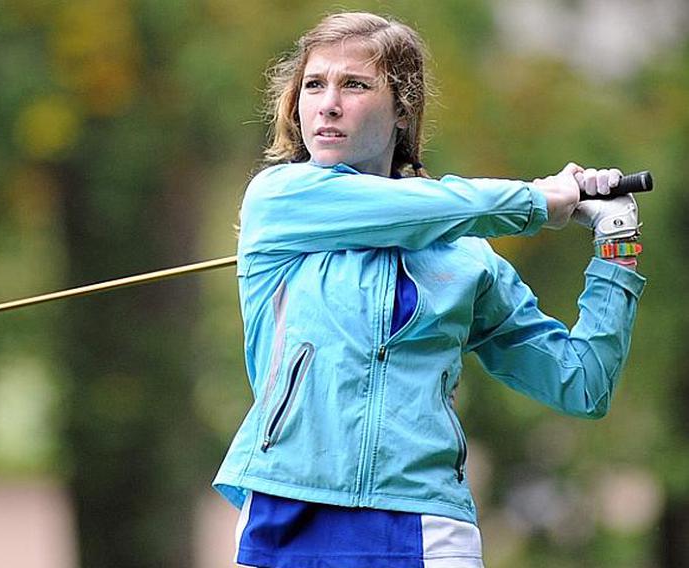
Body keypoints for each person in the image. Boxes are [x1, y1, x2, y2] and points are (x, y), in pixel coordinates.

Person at [212, 11, 645, 568]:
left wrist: (617, 247)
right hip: (289, 509)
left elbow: (580, 383)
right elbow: (423, 207)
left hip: (423, 520)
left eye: (356, 84)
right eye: (314, 84)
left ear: (403, 109)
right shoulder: (281, 200)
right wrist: (536, 201)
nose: (328, 103)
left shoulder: (467, 260)